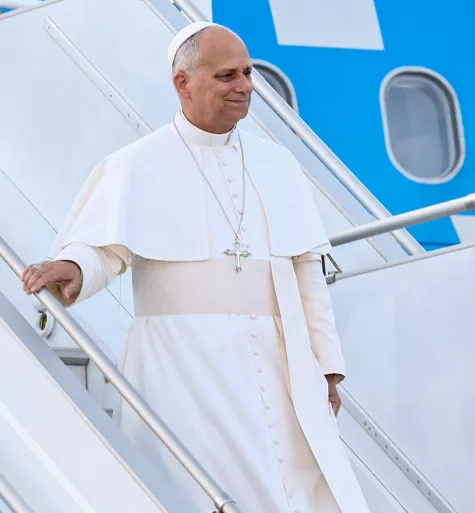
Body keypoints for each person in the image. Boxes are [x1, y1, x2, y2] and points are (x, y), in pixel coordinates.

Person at [21, 21, 371, 513]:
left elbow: (307, 273)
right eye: (227, 75)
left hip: (280, 362)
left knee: (296, 489)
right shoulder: (137, 164)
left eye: (247, 73)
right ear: (183, 83)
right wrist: (74, 267)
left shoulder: (278, 165)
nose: (244, 86)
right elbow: (104, 249)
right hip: (182, 363)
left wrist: (328, 369)